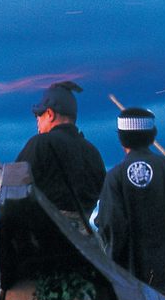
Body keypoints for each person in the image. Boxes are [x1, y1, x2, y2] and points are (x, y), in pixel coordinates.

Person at [95, 107, 165, 300]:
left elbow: (111, 223)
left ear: (121, 139)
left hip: (131, 274)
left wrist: (113, 260)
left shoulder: (115, 176)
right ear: (153, 135)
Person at [16, 81, 106, 219]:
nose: (37, 122)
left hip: (45, 235)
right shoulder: (93, 152)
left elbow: (13, 192)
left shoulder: (40, 143)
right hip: (85, 237)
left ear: (50, 114)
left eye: (38, 115)